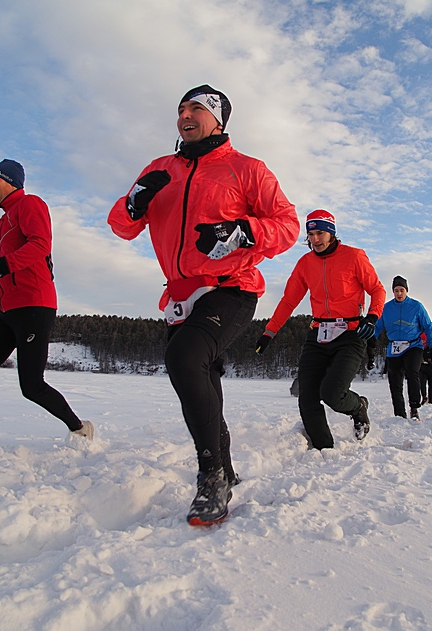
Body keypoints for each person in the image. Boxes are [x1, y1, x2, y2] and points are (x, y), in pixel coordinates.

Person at [108, 85, 299, 526]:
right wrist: (134, 201)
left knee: (185, 357)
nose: (184, 116)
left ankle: (211, 476)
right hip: (179, 293)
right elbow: (122, 227)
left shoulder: (247, 169)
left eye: (196, 108)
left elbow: (287, 225)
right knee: (202, 379)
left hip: (232, 286)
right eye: (180, 110)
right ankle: (226, 468)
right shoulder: (160, 169)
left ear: (218, 120)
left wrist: (242, 232)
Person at [0, 159, 93, 445]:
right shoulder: (3, 221)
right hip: (8, 309)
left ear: (10, 181)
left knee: (32, 386)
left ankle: (79, 428)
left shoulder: (30, 204)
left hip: (34, 305)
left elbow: (39, 245)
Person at [254, 210, 385, 450]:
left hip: (350, 334)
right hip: (319, 333)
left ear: (332, 233)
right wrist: (269, 332)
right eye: (311, 234)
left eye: (320, 233)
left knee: (333, 393)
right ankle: (324, 449)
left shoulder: (354, 256)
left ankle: (359, 407)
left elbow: (377, 289)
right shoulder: (305, 263)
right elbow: (288, 301)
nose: (315, 240)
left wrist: (373, 317)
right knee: (308, 396)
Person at [373, 277, 432, 420]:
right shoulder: (387, 308)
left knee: (412, 372)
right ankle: (399, 413)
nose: (399, 293)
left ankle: (414, 407)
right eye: (396, 291)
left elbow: (427, 326)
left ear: (406, 291)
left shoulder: (416, 306)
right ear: (393, 292)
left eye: (402, 290)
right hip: (394, 347)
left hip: (413, 345)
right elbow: (377, 327)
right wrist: (369, 342)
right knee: (394, 380)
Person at [419, 332, 432, 406]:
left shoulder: (431, 348)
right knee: (422, 384)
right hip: (422, 369)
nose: (422, 342)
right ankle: (424, 397)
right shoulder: (418, 349)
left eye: (423, 341)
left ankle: (431, 400)